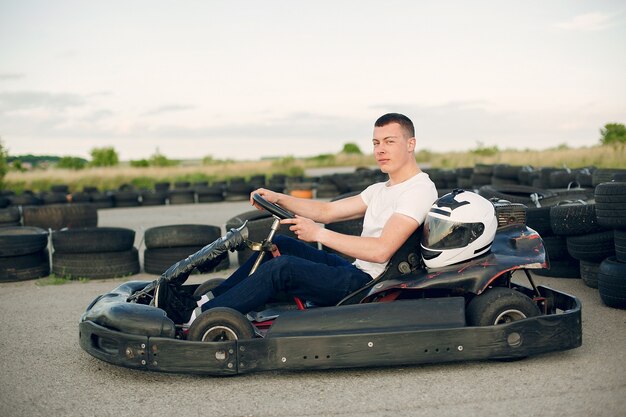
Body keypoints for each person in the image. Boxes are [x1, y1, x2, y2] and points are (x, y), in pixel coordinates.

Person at [185, 112, 438, 325]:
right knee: (282, 246)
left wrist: (318, 233)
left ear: (410, 144)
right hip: (358, 270)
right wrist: (278, 198)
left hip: (372, 285)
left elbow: (382, 250)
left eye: (389, 141)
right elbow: (326, 212)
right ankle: (206, 302)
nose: (380, 150)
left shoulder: (417, 190)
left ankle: (202, 319)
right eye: (375, 143)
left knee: (282, 268)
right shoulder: (380, 189)